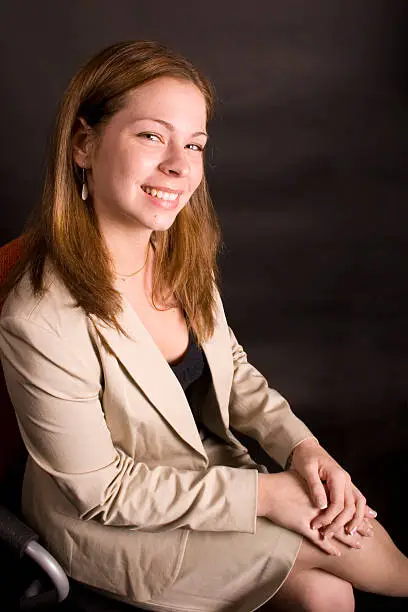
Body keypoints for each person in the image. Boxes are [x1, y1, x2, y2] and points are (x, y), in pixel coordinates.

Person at [0, 41, 406, 612]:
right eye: (151, 136)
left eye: (194, 144)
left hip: (201, 481)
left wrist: (304, 450)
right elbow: (102, 491)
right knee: (339, 543)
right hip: (110, 529)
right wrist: (266, 495)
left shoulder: (176, 251)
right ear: (83, 144)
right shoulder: (37, 317)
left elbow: (233, 371)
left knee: (325, 596)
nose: (180, 165)